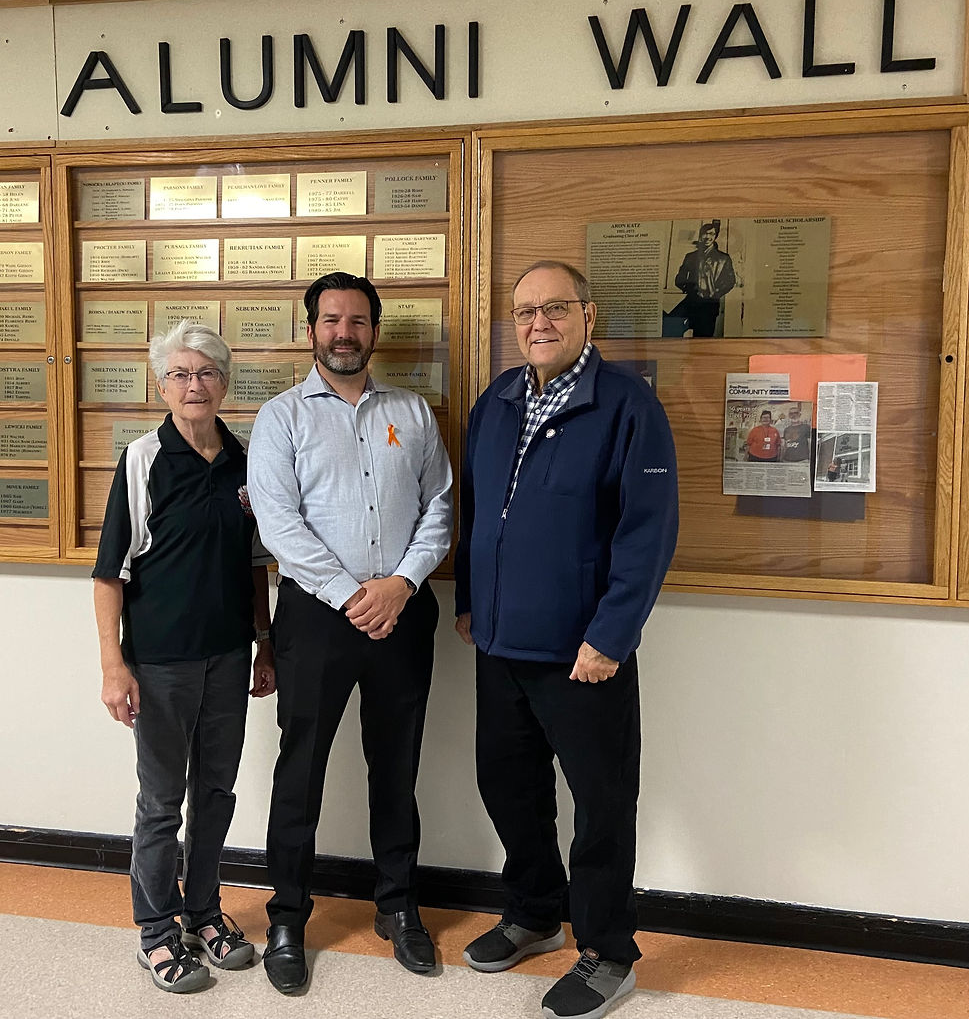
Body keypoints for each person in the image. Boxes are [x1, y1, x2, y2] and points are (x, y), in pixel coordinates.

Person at [454, 261, 678, 1019]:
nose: (537, 323)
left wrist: (611, 635)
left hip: (586, 653)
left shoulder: (626, 406)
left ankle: (609, 951)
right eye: (524, 312)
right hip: (501, 644)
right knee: (506, 787)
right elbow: (480, 512)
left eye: (554, 308)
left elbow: (648, 534)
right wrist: (471, 604)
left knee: (601, 805)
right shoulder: (498, 400)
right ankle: (535, 911)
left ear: (589, 313)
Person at [247, 272, 453, 993]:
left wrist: (398, 585)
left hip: (401, 609)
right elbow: (279, 525)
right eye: (331, 320)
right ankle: (287, 916)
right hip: (314, 616)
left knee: (396, 764)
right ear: (311, 331)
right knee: (299, 768)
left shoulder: (413, 413)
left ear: (375, 331)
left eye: (358, 321)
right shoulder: (281, 419)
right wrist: (348, 596)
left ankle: (398, 907)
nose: (344, 332)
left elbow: (440, 508)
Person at [93, 320, 275, 994]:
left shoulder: (245, 458)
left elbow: (257, 561)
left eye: (204, 373)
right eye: (179, 374)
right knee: (163, 802)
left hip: (228, 657)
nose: (193, 385)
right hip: (162, 664)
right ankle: (156, 932)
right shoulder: (143, 459)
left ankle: (203, 912)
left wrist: (265, 641)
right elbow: (110, 573)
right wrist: (115, 666)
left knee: (217, 795)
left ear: (224, 383)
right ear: (161, 385)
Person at [665, 219, 737, 337]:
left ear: (715, 236)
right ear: (700, 235)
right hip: (691, 302)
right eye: (705, 233)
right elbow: (679, 279)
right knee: (670, 325)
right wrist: (690, 288)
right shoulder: (690, 257)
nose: (708, 237)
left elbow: (730, 281)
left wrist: (715, 293)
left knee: (702, 338)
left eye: (712, 234)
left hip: (709, 305)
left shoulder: (724, 258)